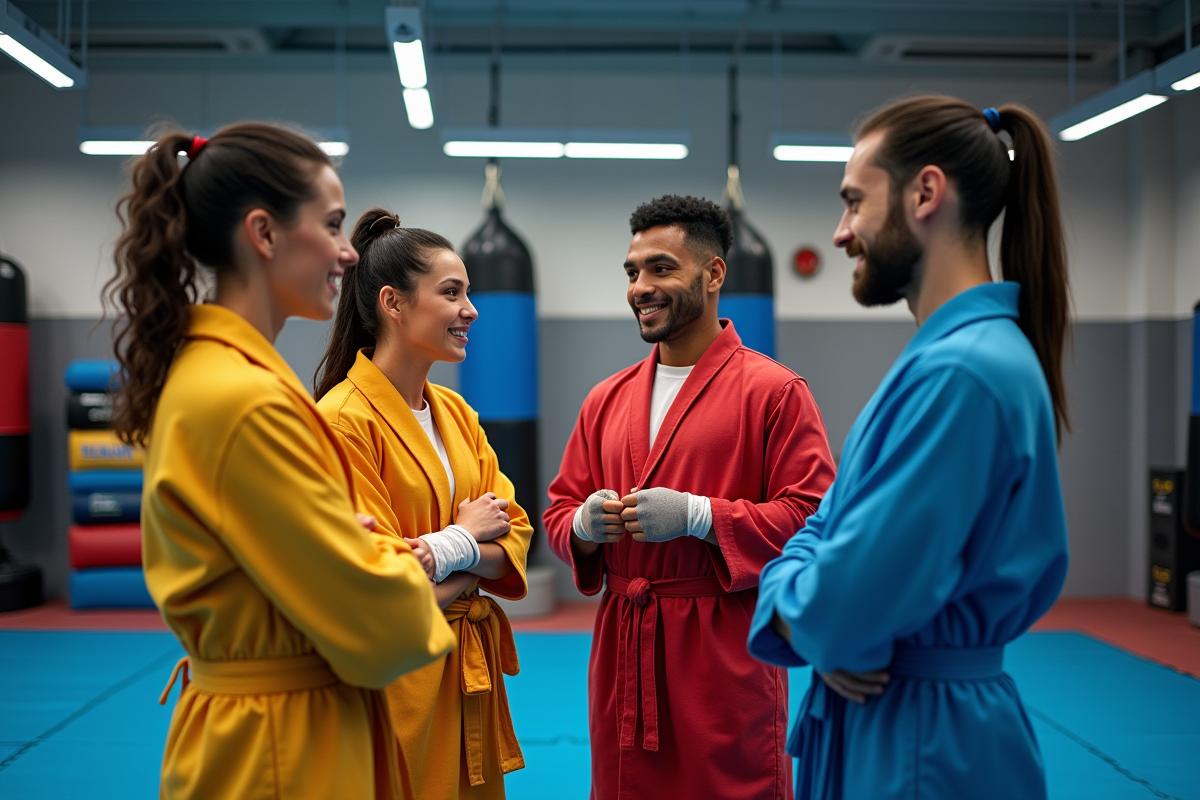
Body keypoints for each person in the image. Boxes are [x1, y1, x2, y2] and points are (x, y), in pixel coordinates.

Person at [105, 124, 456, 800]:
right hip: (278, 755)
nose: (348, 253)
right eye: (330, 225)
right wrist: (442, 552)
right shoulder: (244, 402)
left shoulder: (231, 380)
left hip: (282, 736)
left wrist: (370, 550)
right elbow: (379, 624)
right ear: (264, 234)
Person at [748, 97, 1071, 800]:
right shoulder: (946, 362)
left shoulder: (961, 374)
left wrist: (801, 607)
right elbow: (822, 534)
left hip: (921, 750)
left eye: (853, 203)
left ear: (925, 192)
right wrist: (811, 602)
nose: (839, 234)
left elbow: (838, 610)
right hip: (900, 728)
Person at [544, 195, 837, 800]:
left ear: (713, 273)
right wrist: (583, 526)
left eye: (661, 268)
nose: (640, 287)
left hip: (721, 657)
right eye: (632, 272)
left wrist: (701, 516)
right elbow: (557, 509)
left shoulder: (775, 392)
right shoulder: (606, 398)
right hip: (627, 649)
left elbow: (815, 519)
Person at [314, 208, 532, 799]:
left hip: (466, 680)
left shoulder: (456, 413)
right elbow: (379, 584)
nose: (471, 310)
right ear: (394, 302)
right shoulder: (343, 421)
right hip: (394, 682)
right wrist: (465, 543)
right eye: (452, 292)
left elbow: (514, 530)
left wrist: (439, 557)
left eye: (469, 293)